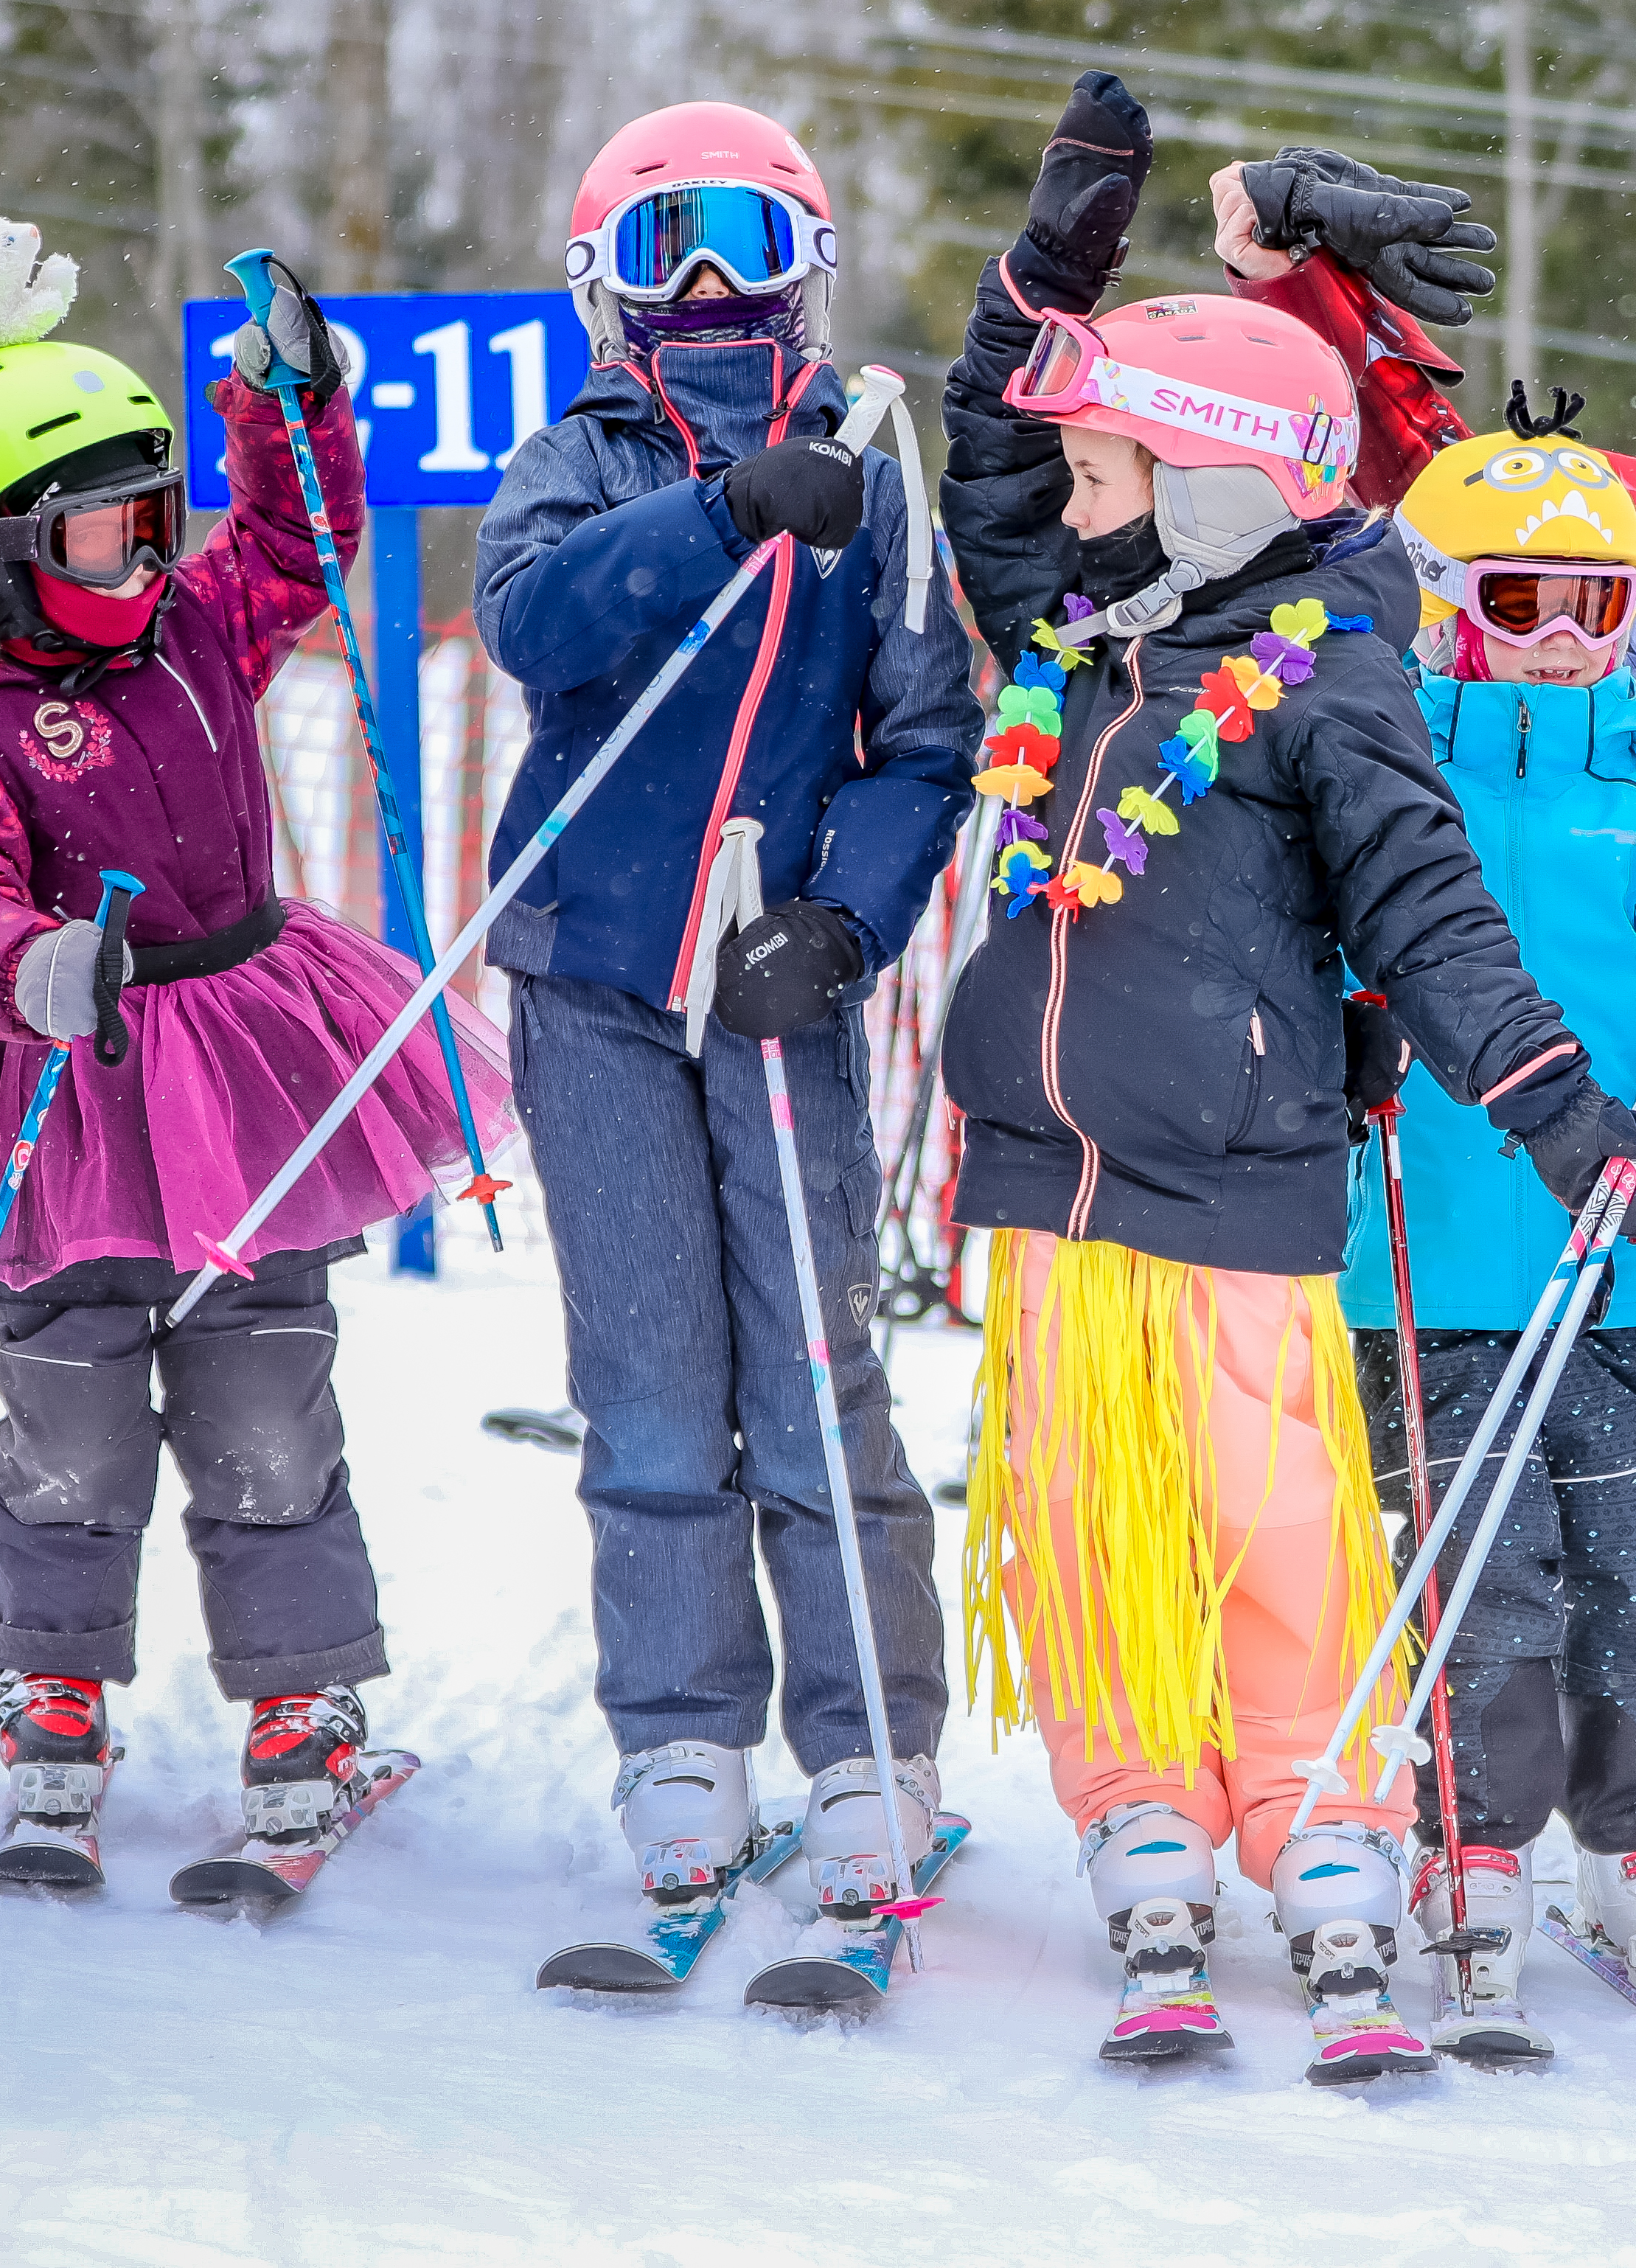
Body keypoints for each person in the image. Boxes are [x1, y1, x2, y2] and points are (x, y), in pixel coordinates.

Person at [939, 76, 1636, 2081]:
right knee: (1085, 1525)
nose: (1063, 501)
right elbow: (986, 475)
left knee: (1276, 1524)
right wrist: (1058, 261)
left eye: (1102, 470)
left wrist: (1553, 1104)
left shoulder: (1323, 678)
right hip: (1043, 1195)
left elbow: (1432, 920)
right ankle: (1140, 1817)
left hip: (1245, 1193)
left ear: (1205, 491)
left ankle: (1324, 1832)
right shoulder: (1083, 627)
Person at [0, 223, 509, 1885]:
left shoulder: (192, 625)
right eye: (99, 532)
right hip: (59, 1081)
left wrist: (283, 402)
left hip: (245, 1054)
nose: (144, 556)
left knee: (268, 1399)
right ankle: (49, 1692)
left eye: (152, 515)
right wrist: (33, 960)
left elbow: (301, 538)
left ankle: (302, 1709)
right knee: (70, 1418)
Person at [473, 105, 972, 1928]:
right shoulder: (579, 457)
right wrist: (720, 512)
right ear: (609, 280)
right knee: (656, 1383)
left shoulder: (880, 475)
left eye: (745, 243)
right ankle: (684, 1728)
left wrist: (844, 922)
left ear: (806, 269)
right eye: (670, 242)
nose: (708, 282)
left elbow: (927, 743)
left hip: (774, 987)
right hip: (595, 985)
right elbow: (533, 626)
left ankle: (868, 1741)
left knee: (816, 1372)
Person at [1348, 398, 1636, 2024]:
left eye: (1593, 606)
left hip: (1616, 1272)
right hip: (1432, 1258)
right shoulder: (1390, 783)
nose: (1558, 639)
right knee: (1483, 1566)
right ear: (1443, 601)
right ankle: (1475, 1836)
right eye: (1518, 600)